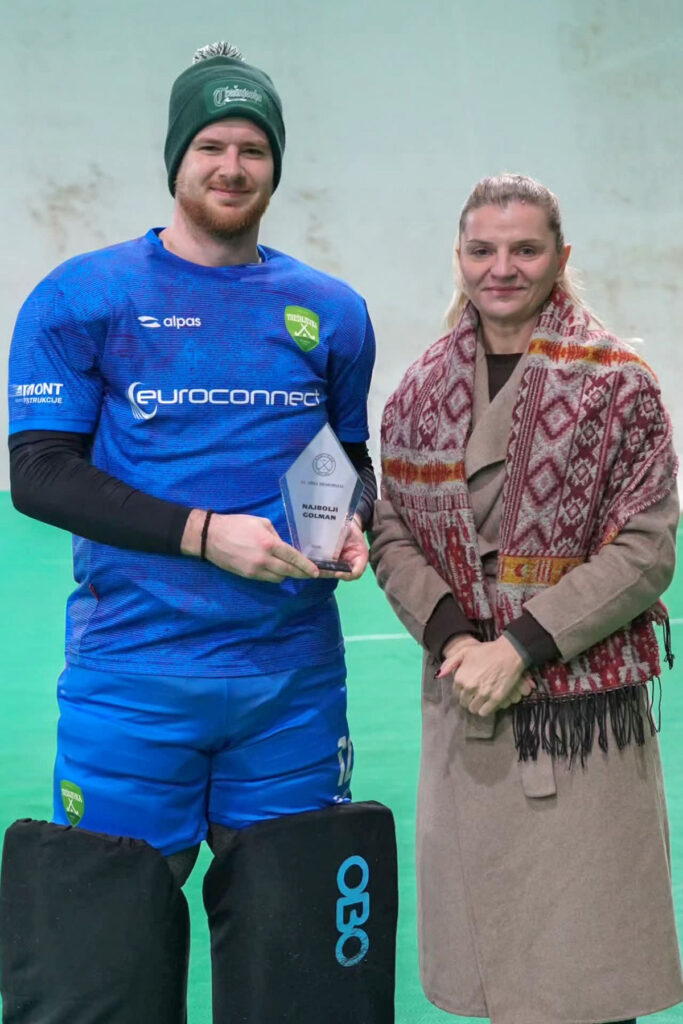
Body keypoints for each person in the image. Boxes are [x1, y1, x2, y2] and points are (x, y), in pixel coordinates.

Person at [1, 42, 397, 1024]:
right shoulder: (83, 297)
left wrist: (353, 519)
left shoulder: (330, 311)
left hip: (291, 683)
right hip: (133, 675)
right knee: (103, 953)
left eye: (252, 148)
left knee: (301, 964)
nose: (231, 166)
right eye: (211, 145)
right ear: (176, 158)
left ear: (276, 164)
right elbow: (39, 472)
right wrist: (202, 534)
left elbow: (345, 458)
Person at [370, 173, 682, 1024]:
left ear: (560, 256)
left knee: (584, 977)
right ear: (458, 256)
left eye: (524, 249)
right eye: (482, 249)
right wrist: (454, 640)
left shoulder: (618, 384)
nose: (500, 268)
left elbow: (645, 547)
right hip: (465, 693)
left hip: (576, 715)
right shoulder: (419, 390)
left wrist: (520, 647)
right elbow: (390, 527)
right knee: (497, 973)